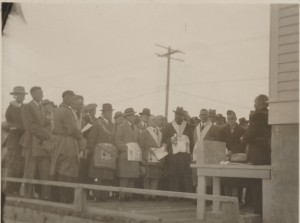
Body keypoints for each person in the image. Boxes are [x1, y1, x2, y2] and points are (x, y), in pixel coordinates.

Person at [52, 95, 86, 203]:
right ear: (66, 99)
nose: (73, 101)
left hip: (60, 141)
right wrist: (80, 135)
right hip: (68, 142)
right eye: (71, 99)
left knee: (60, 167)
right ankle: (66, 198)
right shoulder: (66, 111)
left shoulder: (58, 110)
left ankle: (58, 197)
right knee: (68, 168)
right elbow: (72, 129)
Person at [20, 86, 52, 200]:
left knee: (45, 171)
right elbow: (29, 126)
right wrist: (47, 134)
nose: (42, 95)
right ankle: (27, 196)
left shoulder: (43, 107)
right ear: (33, 94)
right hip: (31, 144)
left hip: (43, 145)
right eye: (39, 93)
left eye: (42, 93)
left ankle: (45, 196)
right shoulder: (26, 107)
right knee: (30, 171)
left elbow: (47, 122)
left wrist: (48, 129)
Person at [242, 94, 271, 214]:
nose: (254, 104)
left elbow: (250, 134)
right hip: (267, 153)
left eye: (255, 102)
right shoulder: (270, 114)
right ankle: (266, 209)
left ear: (261, 103)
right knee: (266, 183)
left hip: (257, 155)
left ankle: (259, 211)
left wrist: (243, 139)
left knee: (255, 183)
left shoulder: (257, 115)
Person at [87, 103, 117, 201]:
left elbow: (114, 139)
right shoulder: (97, 123)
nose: (110, 114)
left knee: (107, 175)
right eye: (108, 112)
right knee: (98, 176)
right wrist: (92, 151)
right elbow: (91, 139)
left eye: (111, 112)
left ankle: (105, 196)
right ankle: (97, 196)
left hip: (109, 152)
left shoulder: (112, 125)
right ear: (103, 113)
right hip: (98, 152)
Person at [162, 107, 193, 193]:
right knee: (173, 174)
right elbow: (164, 139)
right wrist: (169, 140)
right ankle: (173, 195)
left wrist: (191, 152)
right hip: (173, 154)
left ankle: (188, 195)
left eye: (180, 115)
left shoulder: (188, 126)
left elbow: (192, 140)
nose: (178, 116)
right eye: (176, 114)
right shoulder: (169, 126)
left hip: (185, 154)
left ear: (183, 116)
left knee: (186, 174)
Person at [219, 110, 246, 204]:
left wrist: (232, 151)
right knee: (226, 180)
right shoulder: (222, 130)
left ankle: (236, 202)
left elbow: (242, 144)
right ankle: (227, 201)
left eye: (232, 118)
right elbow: (221, 143)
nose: (230, 121)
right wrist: (225, 152)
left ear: (236, 119)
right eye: (228, 119)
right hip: (225, 158)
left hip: (237, 158)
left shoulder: (242, 130)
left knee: (236, 181)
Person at [4, 86, 27, 195]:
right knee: (13, 166)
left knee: (20, 166)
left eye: (23, 95)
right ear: (15, 96)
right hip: (14, 141)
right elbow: (15, 124)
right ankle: (10, 189)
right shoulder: (12, 108)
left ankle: (15, 190)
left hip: (20, 141)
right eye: (20, 95)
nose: (22, 97)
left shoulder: (21, 107)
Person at [115, 108, 140, 201]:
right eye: (131, 115)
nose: (133, 117)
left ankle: (129, 195)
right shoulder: (122, 126)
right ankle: (122, 196)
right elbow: (117, 139)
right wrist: (125, 148)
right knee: (124, 176)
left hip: (134, 154)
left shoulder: (136, 128)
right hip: (125, 154)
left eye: (133, 115)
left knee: (132, 176)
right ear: (127, 117)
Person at [192, 109, 219, 189]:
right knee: (198, 175)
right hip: (198, 155)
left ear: (208, 116)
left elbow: (217, 142)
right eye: (201, 115)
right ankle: (198, 197)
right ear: (199, 116)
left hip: (209, 155)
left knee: (209, 176)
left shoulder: (214, 128)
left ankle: (209, 197)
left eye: (205, 115)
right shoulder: (196, 128)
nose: (203, 116)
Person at [139, 115, 163, 200]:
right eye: (152, 120)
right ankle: (146, 195)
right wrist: (143, 157)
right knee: (147, 176)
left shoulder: (160, 133)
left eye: (156, 120)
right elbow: (141, 146)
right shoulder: (145, 132)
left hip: (157, 156)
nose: (155, 121)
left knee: (155, 176)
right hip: (148, 155)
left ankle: (153, 195)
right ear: (148, 121)